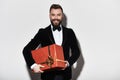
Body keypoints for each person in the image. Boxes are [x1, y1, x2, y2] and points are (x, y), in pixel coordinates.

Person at [23, 4, 80, 80]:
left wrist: (68, 63)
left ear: (62, 16)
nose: (56, 18)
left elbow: (76, 51)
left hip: (65, 75)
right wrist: (33, 65)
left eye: (58, 15)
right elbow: (26, 50)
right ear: (49, 15)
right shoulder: (42, 32)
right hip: (48, 76)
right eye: (53, 15)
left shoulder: (69, 32)